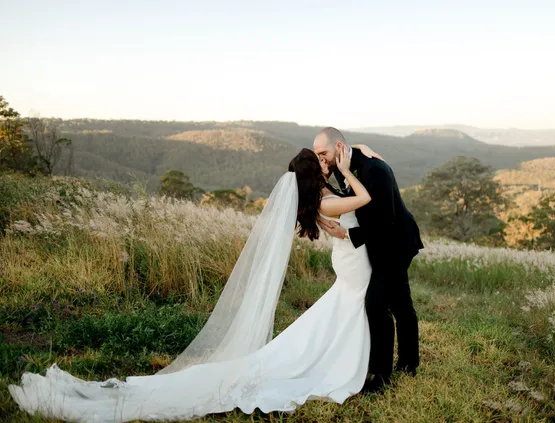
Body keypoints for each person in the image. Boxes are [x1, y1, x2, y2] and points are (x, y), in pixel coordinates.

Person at [9, 146, 380, 422]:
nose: (326, 163)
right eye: (322, 162)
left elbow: (337, 213)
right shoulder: (326, 200)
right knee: (342, 311)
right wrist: (348, 170)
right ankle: (339, 363)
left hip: (350, 263)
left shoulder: (320, 198)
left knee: (336, 315)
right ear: (315, 175)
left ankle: (336, 356)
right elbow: (364, 198)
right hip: (352, 268)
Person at [314, 127, 423, 393]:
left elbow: (385, 222)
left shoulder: (376, 171)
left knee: (376, 304)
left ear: (338, 147)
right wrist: (358, 146)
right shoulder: (341, 163)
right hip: (376, 245)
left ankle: (382, 376)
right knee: (399, 301)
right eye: (317, 155)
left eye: (323, 153)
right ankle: (409, 362)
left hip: (395, 243)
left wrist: (346, 233)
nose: (322, 159)